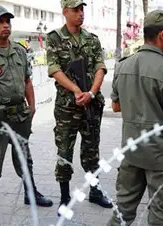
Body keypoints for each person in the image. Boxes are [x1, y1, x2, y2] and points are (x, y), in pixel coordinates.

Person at [0, 5, 53, 226]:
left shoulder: (20, 50)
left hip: (20, 116)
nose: (6, 25)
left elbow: (27, 82)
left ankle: (30, 193)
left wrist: (32, 107)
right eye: (1, 21)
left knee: (24, 156)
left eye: (8, 21)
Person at [108, 10, 163, 226]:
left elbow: (116, 106)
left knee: (123, 209)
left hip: (131, 150)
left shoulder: (123, 65)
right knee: (160, 214)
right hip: (160, 156)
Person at [46, 0, 112, 211]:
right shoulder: (54, 38)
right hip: (67, 107)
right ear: (65, 12)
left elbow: (101, 67)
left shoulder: (92, 39)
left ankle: (94, 191)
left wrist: (91, 92)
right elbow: (54, 68)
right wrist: (76, 90)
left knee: (92, 151)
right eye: (76, 10)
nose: (80, 13)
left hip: (91, 105)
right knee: (64, 150)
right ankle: (65, 197)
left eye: (82, 9)